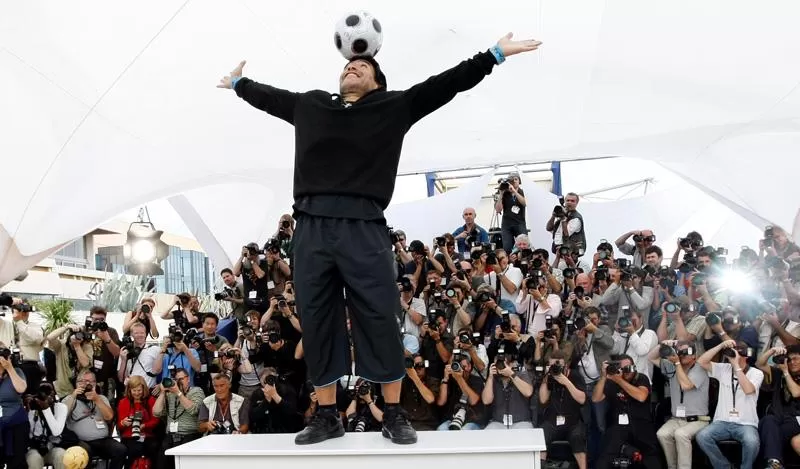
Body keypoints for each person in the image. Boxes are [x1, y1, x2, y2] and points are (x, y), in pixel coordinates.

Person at [219, 32, 542, 445]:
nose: (351, 67)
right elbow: (270, 97)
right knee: (317, 321)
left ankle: (393, 413)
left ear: (377, 81)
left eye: (363, 66)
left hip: (365, 223)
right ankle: (328, 415)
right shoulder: (312, 104)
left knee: (379, 316)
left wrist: (493, 55)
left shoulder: (392, 107)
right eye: (348, 65)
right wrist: (239, 84)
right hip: (311, 225)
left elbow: (445, 84)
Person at [116, 376, 159, 469]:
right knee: (135, 449)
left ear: (144, 389)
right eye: (134, 390)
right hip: (129, 436)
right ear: (129, 390)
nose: (137, 393)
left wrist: (144, 425)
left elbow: (155, 421)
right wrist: (123, 423)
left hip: (147, 435)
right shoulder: (123, 402)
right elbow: (119, 425)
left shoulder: (150, 400)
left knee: (153, 448)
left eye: (139, 390)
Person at [495, 172, 528, 253]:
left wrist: (514, 192)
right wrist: (501, 193)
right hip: (507, 224)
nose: (514, 181)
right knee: (507, 248)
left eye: (516, 179)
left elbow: (525, 203)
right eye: (511, 180)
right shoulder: (504, 193)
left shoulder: (523, 192)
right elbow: (498, 210)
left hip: (520, 222)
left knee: (523, 246)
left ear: (519, 181)